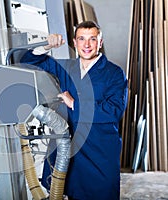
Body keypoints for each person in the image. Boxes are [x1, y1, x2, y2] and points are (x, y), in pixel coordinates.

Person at [20, 21, 128, 200]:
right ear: (74, 42)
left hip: (99, 149)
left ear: (100, 43)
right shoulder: (65, 68)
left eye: (92, 39)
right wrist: (46, 45)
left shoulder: (114, 73)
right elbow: (27, 61)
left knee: (103, 193)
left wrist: (74, 104)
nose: (86, 45)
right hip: (69, 148)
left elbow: (113, 110)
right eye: (81, 39)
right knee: (70, 192)